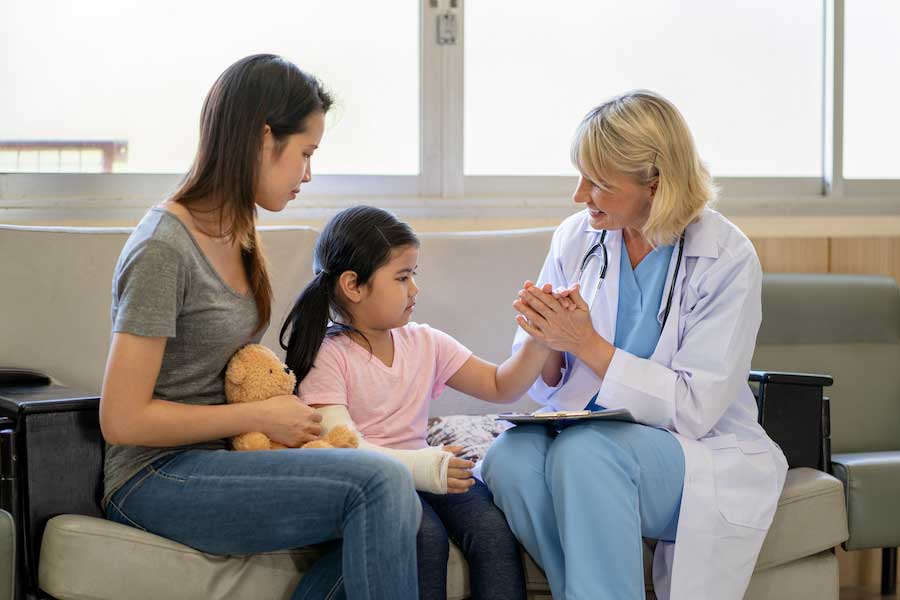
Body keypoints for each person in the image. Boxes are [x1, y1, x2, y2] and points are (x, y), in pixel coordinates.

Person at [99, 54, 421, 600]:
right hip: (153, 477)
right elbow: (122, 419)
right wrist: (259, 414)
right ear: (261, 137)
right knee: (382, 483)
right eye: (304, 153)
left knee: (401, 507)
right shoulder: (163, 247)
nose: (308, 174)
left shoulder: (238, 231)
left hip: (220, 458)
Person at [482, 90, 788, 599]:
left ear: (656, 183)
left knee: (586, 455)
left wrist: (586, 341)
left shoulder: (726, 256)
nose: (580, 196)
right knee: (507, 461)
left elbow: (695, 408)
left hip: (693, 450)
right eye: (580, 176)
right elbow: (550, 380)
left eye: (598, 183)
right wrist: (548, 338)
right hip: (586, 431)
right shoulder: (577, 237)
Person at [281, 205, 544, 600]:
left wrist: (540, 336)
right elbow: (344, 445)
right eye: (402, 277)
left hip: (428, 470)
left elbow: (499, 384)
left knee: (492, 530)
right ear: (353, 285)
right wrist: (425, 468)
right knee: (426, 538)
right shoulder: (329, 356)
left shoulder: (425, 342)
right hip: (376, 486)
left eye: (413, 275)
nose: (415, 289)